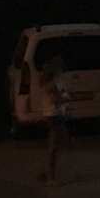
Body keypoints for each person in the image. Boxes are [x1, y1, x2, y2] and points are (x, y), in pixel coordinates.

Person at [37, 55, 70, 185]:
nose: (62, 69)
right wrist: (66, 98)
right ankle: (50, 176)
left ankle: (48, 173)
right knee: (55, 145)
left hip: (53, 114)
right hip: (54, 115)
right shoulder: (52, 84)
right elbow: (56, 99)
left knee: (58, 144)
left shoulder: (51, 82)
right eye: (61, 67)